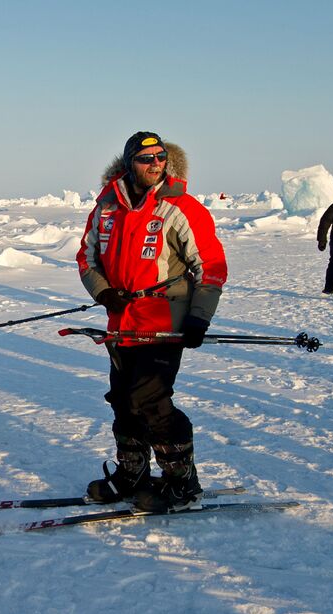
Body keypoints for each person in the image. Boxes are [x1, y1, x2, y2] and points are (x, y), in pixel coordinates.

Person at [77, 131, 228, 512]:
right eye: (146, 159)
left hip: (163, 323)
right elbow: (86, 258)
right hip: (121, 323)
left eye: (160, 158)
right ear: (130, 163)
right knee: (123, 401)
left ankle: (181, 481)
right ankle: (133, 474)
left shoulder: (181, 208)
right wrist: (104, 293)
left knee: (151, 400)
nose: (155, 164)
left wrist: (199, 318)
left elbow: (210, 268)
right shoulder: (106, 208)